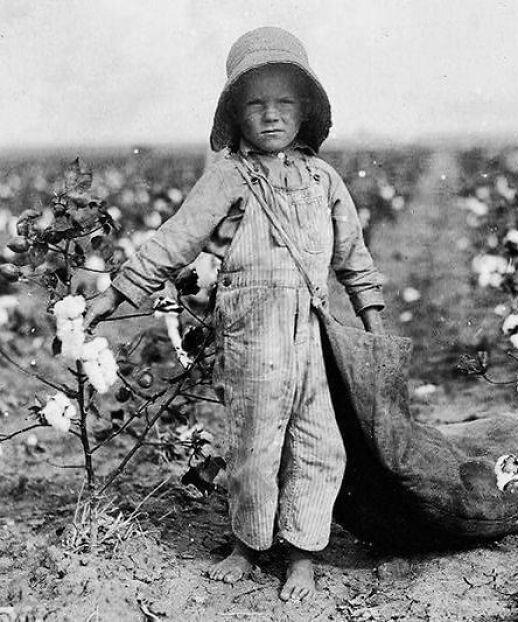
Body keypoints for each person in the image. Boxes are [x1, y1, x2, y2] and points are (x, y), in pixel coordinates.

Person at [84, 26, 385, 602]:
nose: (271, 116)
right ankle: (248, 545)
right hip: (253, 335)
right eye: (255, 104)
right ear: (235, 114)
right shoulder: (229, 175)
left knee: (320, 442)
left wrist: (373, 328)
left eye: (285, 102)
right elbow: (175, 240)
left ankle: (303, 553)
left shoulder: (325, 181)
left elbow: (355, 259)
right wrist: (117, 295)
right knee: (254, 440)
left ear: (307, 110)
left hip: (313, 335)